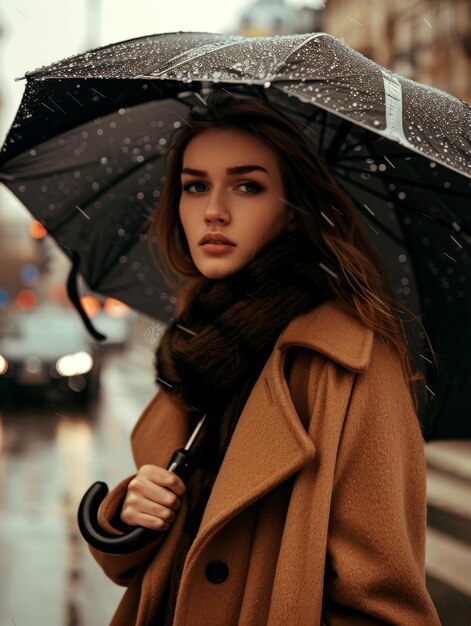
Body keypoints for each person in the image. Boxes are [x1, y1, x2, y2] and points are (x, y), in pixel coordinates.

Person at [87, 92, 441, 625]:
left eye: (247, 186)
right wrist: (130, 511)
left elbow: (385, 608)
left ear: (293, 209)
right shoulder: (198, 348)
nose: (213, 210)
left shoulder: (347, 363)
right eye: (195, 185)